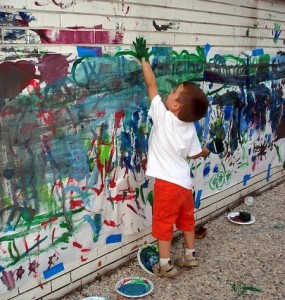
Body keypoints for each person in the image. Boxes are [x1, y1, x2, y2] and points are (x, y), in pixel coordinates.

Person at [132, 37, 218, 278]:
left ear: (176, 105)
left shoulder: (163, 115)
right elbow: (195, 154)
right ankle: (190, 255)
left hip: (167, 185)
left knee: (163, 222)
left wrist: (143, 59)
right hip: (184, 184)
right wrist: (207, 150)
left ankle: (165, 264)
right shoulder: (189, 127)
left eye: (173, 92)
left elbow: (151, 85)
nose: (168, 93)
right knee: (187, 218)